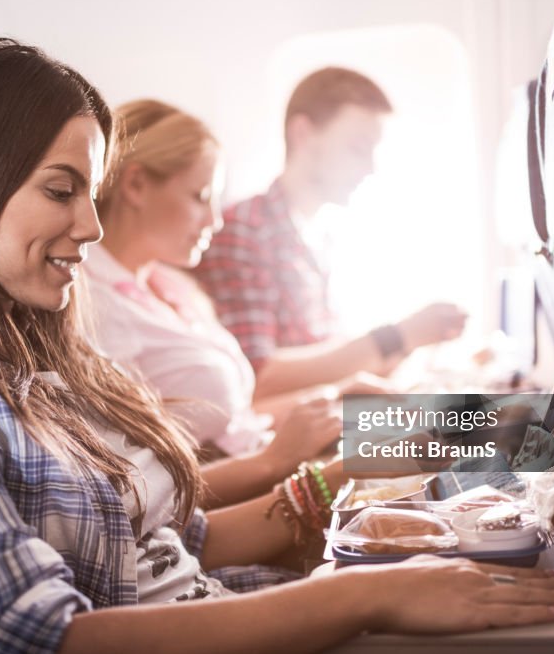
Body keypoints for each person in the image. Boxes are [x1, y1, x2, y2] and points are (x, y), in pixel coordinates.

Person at [0, 39, 554, 654]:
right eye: (62, 191)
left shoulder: (49, 357)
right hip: (232, 599)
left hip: (241, 570)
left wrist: (341, 473)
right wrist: (364, 590)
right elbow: (23, 640)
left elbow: (176, 539)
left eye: (88, 192)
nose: (90, 225)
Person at [86, 99, 346, 506]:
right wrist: (276, 459)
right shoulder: (93, 305)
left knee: (455, 427)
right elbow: (142, 495)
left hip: (267, 458)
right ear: (135, 186)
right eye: (200, 196)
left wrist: (338, 397)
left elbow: (234, 418)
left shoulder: (170, 286)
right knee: (436, 449)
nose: (215, 220)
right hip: (248, 495)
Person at [194, 67, 468, 402]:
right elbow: (256, 375)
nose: (370, 168)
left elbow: (328, 356)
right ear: (303, 133)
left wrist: (409, 347)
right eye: (357, 148)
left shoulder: (321, 238)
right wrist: (395, 338)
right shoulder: (244, 231)